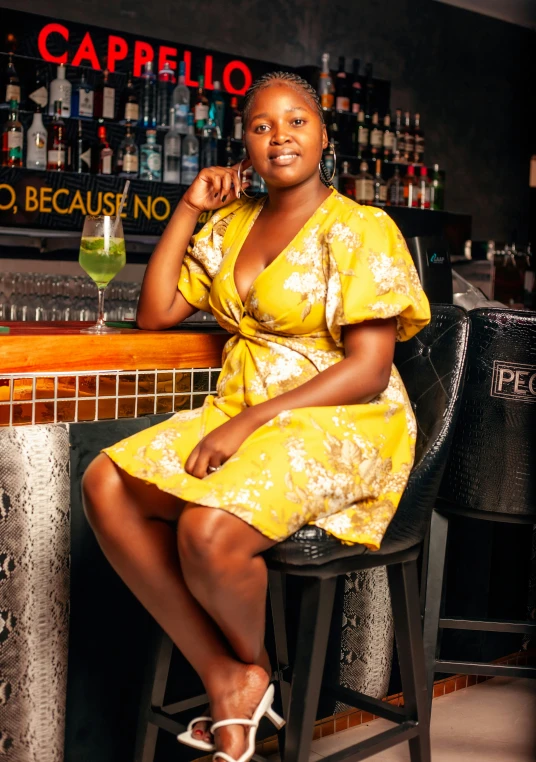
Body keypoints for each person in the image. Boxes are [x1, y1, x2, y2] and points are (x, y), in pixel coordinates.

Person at [82, 71, 431, 762]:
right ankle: (231, 676)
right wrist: (187, 208)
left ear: (324, 135)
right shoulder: (231, 224)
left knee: (207, 532)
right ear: (244, 142)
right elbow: (156, 313)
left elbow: (366, 368)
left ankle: (251, 669)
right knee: (104, 483)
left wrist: (244, 426)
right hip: (242, 404)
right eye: (261, 125)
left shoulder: (362, 227)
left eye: (296, 121)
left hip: (342, 417)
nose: (279, 137)